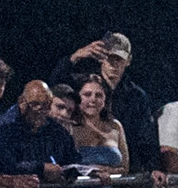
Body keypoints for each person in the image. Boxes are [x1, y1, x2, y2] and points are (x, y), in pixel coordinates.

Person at [51, 32, 160, 175]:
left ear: (128, 61)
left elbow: (145, 137)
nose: (113, 64)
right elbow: (56, 87)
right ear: (102, 59)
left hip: (125, 177)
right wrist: (75, 57)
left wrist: (154, 167)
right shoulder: (84, 84)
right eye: (109, 58)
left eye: (119, 59)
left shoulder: (136, 96)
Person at [0, 80, 79, 188]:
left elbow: (72, 158)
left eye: (46, 105)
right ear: (22, 102)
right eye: (35, 104)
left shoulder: (55, 129)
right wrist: (41, 168)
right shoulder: (5, 126)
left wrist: (70, 172)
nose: (39, 111)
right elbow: (2, 164)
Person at [71, 74, 129, 173]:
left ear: (105, 99)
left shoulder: (115, 126)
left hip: (114, 187)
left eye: (98, 95)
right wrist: (93, 172)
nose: (93, 99)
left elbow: (125, 168)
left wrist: (106, 170)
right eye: (87, 94)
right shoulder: (70, 127)